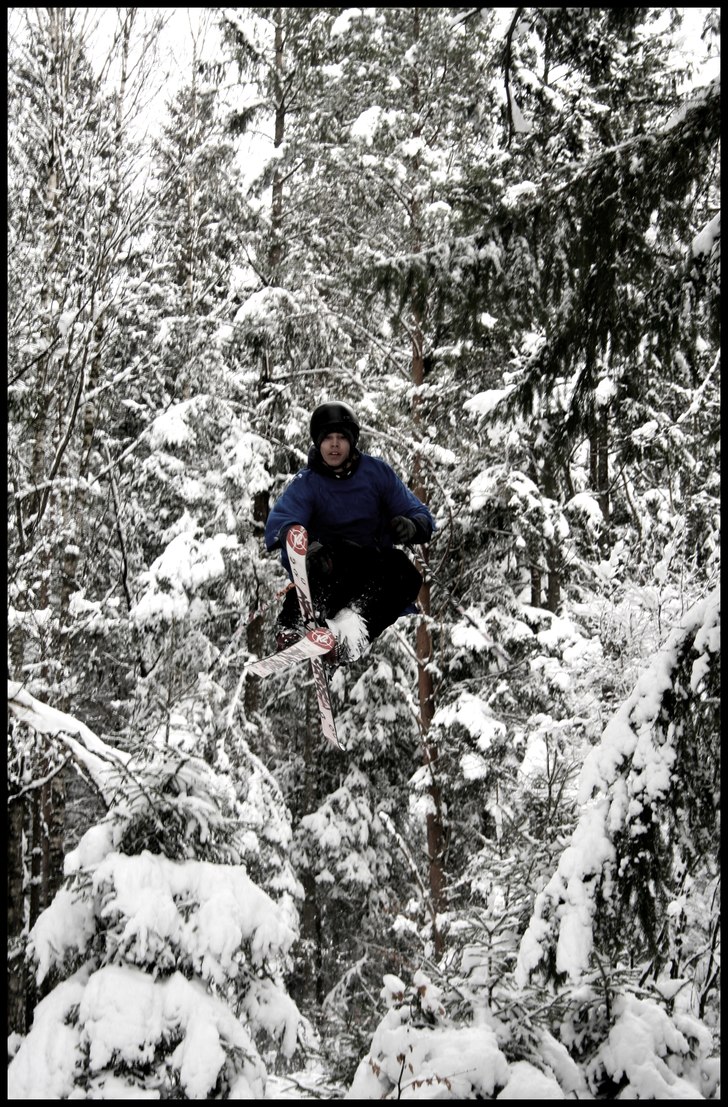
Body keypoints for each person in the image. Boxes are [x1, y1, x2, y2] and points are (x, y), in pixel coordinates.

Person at [264, 400, 434, 664]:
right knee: (330, 562)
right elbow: (282, 522)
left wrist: (412, 526)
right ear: (318, 443)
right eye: (328, 438)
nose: (334, 444)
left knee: (406, 573)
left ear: (352, 441)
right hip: (330, 566)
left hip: (372, 570)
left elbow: (420, 514)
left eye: (341, 438)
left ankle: (349, 633)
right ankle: (294, 625)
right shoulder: (307, 483)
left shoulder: (377, 474)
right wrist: (306, 548)